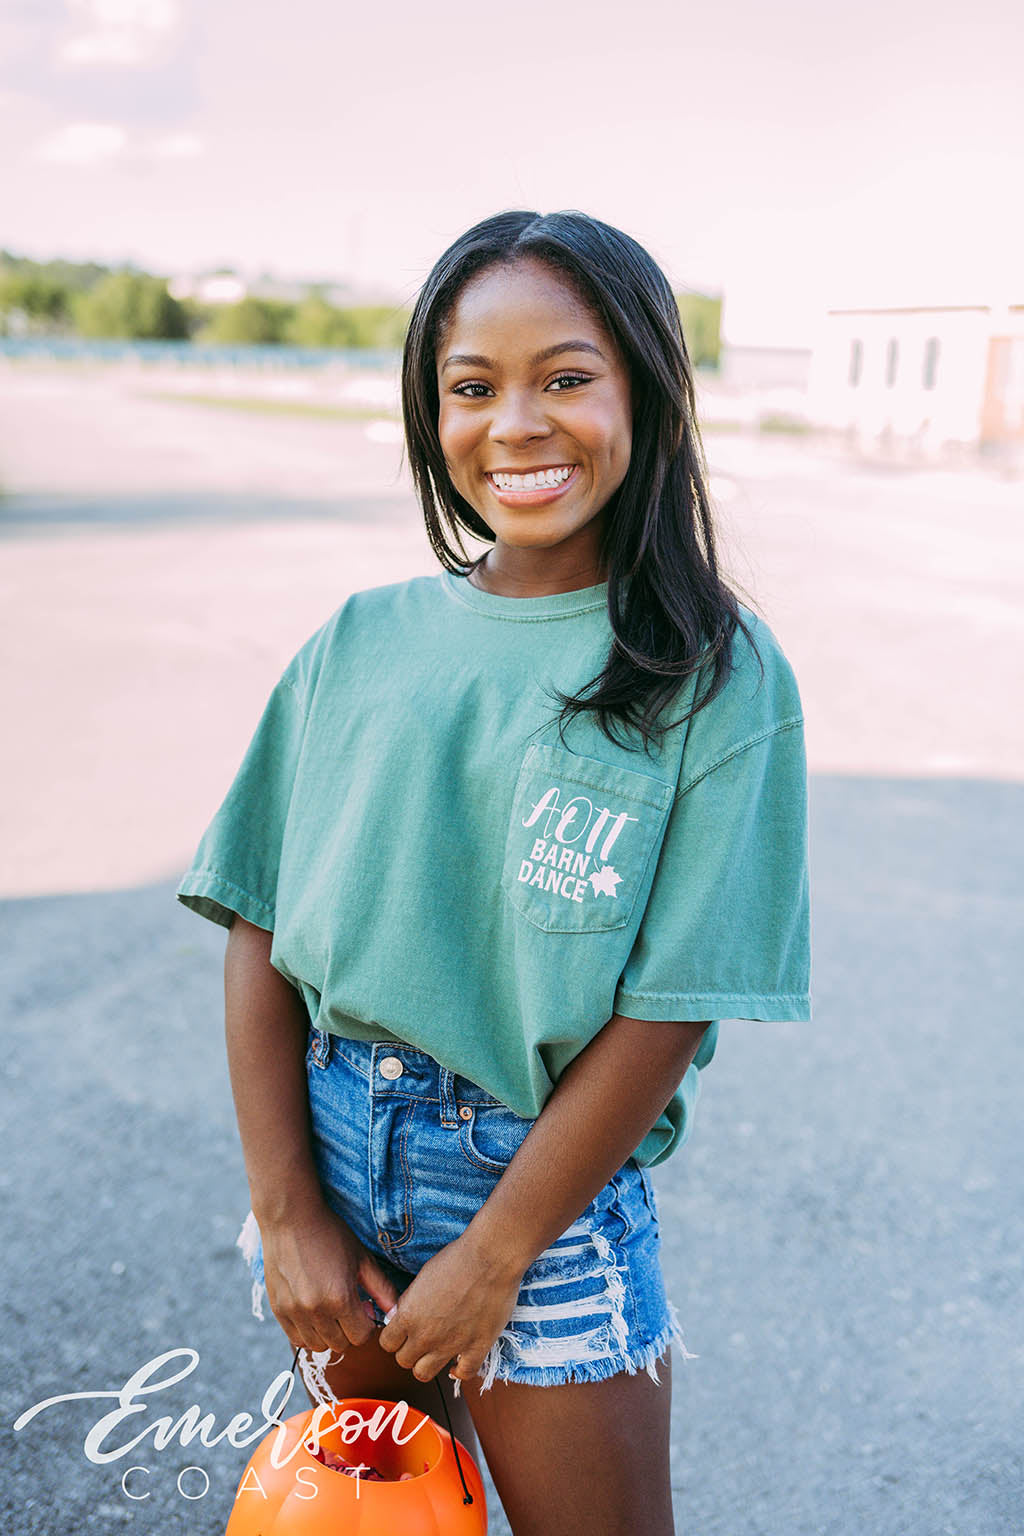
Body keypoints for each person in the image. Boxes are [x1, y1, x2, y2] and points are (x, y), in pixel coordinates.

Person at [176, 208, 811, 1535]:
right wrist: (285, 1213)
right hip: (333, 1164)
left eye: (565, 377)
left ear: (649, 394)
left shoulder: (713, 676)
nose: (515, 424)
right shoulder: (359, 641)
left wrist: (499, 1251)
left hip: (541, 1195)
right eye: (472, 387)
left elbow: (668, 1008)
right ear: (432, 414)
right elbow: (258, 926)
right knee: (366, 1519)